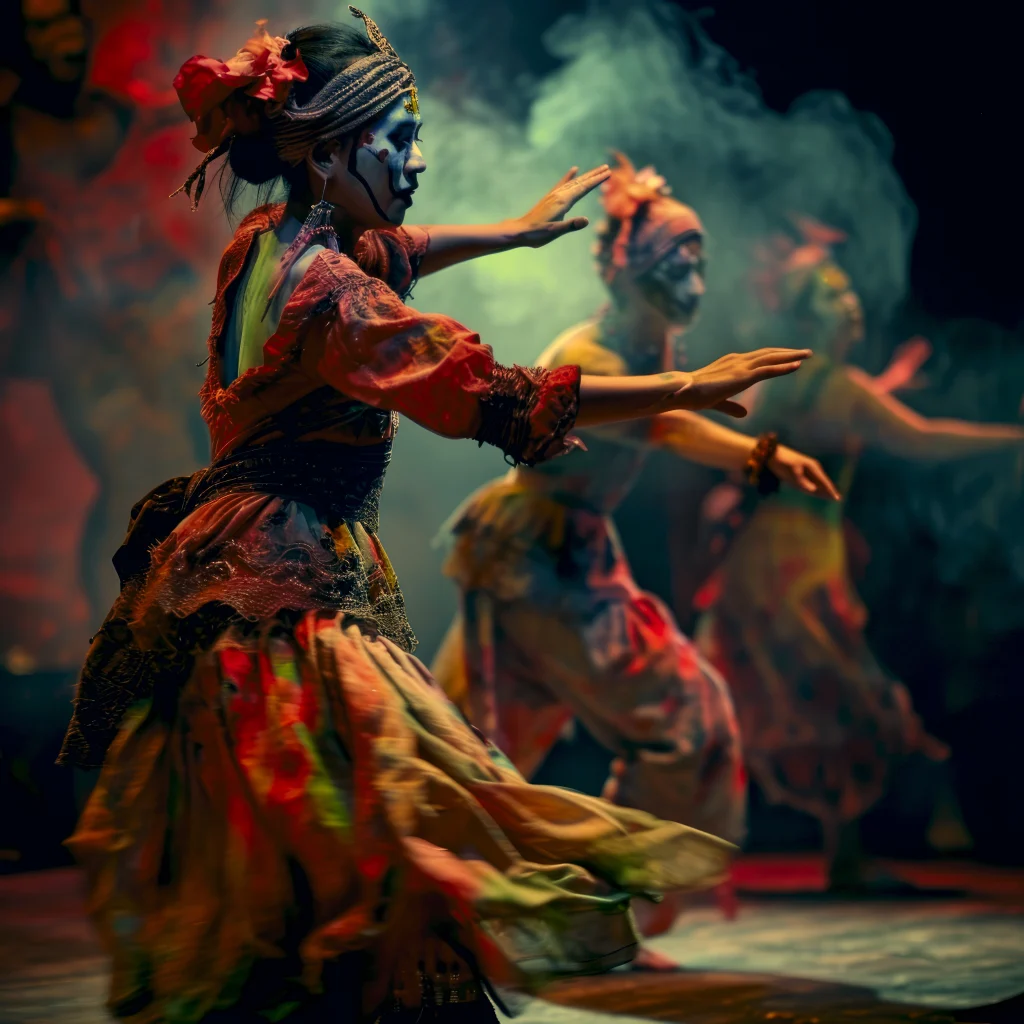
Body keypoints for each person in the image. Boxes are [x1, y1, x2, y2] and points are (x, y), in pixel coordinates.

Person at [59, 15, 818, 1022]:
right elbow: (487, 393)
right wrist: (687, 382)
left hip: (229, 571)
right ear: (326, 155)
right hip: (283, 595)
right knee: (383, 831)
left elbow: (397, 246)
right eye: (398, 141)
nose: (417, 161)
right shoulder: (333, 296)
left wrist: (514, 231)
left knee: (294, 859)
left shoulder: (266, 242)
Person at [431, 154, 839, 957]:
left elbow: (664, 419)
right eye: (676, 259)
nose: (695, 276)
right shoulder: (592, 352)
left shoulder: (646, 350)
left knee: (480, 752)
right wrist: (746, 440)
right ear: (634, 270)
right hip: (536, 558)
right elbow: (653, 420)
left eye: (699, 257)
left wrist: (755, 450)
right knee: (679, 717)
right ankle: (595, 905)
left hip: (561, 557)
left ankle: (551, 913)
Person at [692, 216, 1024, 889]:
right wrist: (1012, 439)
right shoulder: (837, 387)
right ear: (820, 316)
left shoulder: (782, 378)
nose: (852, 308)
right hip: (802, 559)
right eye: (838, 297)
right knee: (841, 699)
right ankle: (839, 853)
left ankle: (717, 840)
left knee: (771, 694)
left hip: (762, 554)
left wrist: (888, 385)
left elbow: (810, 427)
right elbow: (918, 438)